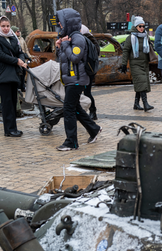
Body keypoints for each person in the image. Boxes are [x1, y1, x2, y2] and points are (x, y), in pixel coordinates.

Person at [55, 8, 102, 151]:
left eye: (61, 23)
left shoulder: (77, 38)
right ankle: (93, 129)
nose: (59, 26)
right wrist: (59, 47)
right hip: (71, 79)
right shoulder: (69, 39)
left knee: (68, 109)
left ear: (68, 23)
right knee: (75, 108)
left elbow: (75, 58)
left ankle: (71, 142)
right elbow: (63, 59)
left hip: (77, 79)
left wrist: (64, 44)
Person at [0, 16, 27, 138]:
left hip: (13, 72)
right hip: (2, 73)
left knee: (13, 101)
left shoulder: (12, 37)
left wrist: (21, 59)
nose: (5, 28)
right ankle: (9, 129)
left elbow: (20, 51)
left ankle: (13, 128)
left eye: (7, 26)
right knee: (7, 102)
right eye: (3, 26)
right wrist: (16, 61)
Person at [121, 17, 156, 114]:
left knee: (140, 84)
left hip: (144, 64)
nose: (142, 28)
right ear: (136, 26)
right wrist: (124, 64)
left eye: (143, 26)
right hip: (135, 64)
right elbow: (125, 51)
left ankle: (136, 104)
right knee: (141, 82)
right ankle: (145, 104)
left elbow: (149, 49)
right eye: (140, 26)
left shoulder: (146, 36)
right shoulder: (130, 38)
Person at [81, 24, 99, 120]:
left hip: (88, 70)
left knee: (87, 92)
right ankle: (82, 112)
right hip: (85, 70)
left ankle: (93, 111)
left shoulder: (89, 41)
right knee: (81, 93)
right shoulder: (88, 40)